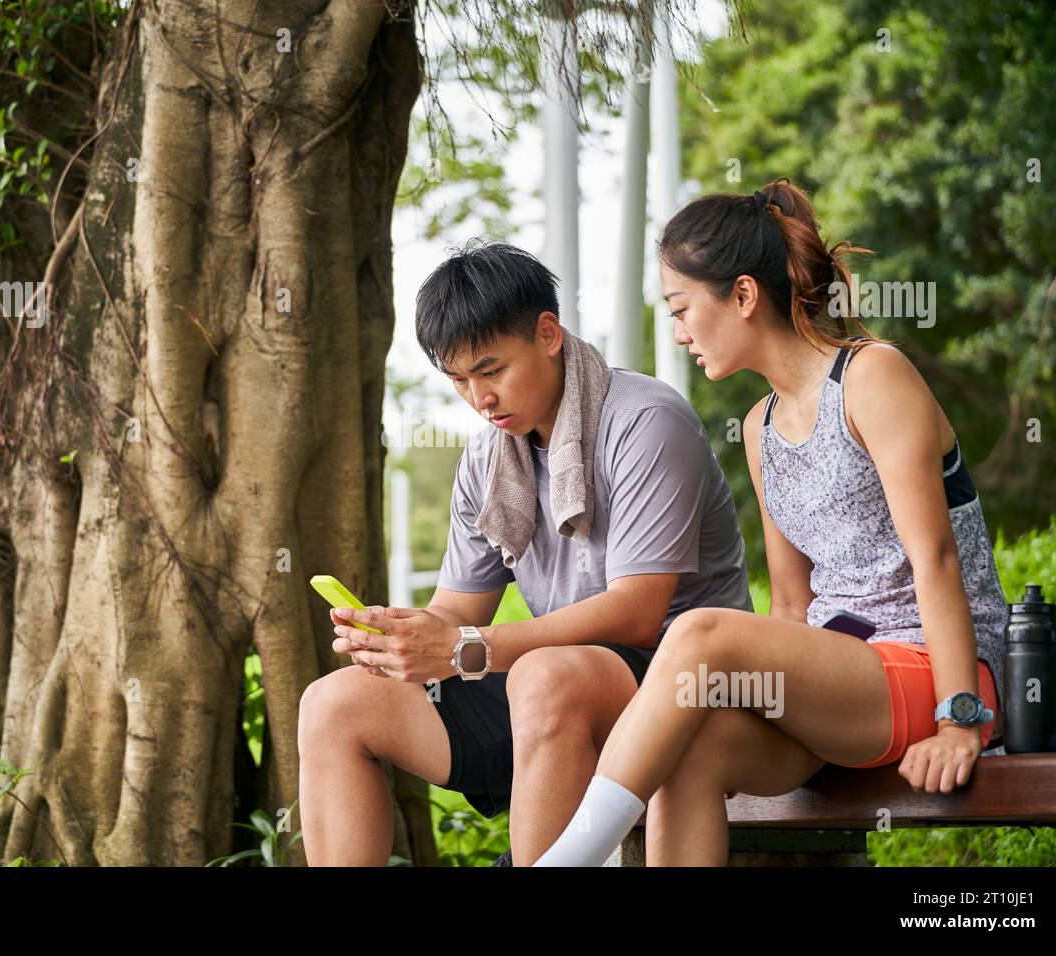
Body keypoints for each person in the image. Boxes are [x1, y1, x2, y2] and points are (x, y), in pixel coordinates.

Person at [533, 179, 1009, 867]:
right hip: (837, 685)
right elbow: (791, 605)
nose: (678, 332)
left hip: (935, 671)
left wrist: (960, 718)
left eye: (681, 308)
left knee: (698, 631)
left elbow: (935, 559)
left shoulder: (873, 377)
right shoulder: (759, 427)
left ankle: (566, 861)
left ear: (745, 296)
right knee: (689, 750)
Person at [298, 240, 754, 865]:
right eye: (458, 380)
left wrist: (463, 650)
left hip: (682, 685)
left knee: (544, 677)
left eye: (491, 371)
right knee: (333, 702)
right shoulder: (488, 459)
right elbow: (458, 607)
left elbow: (637, 613)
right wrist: (402, 639)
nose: (478, 398)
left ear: (547, 333)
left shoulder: (646, 421)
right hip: (557, 691)